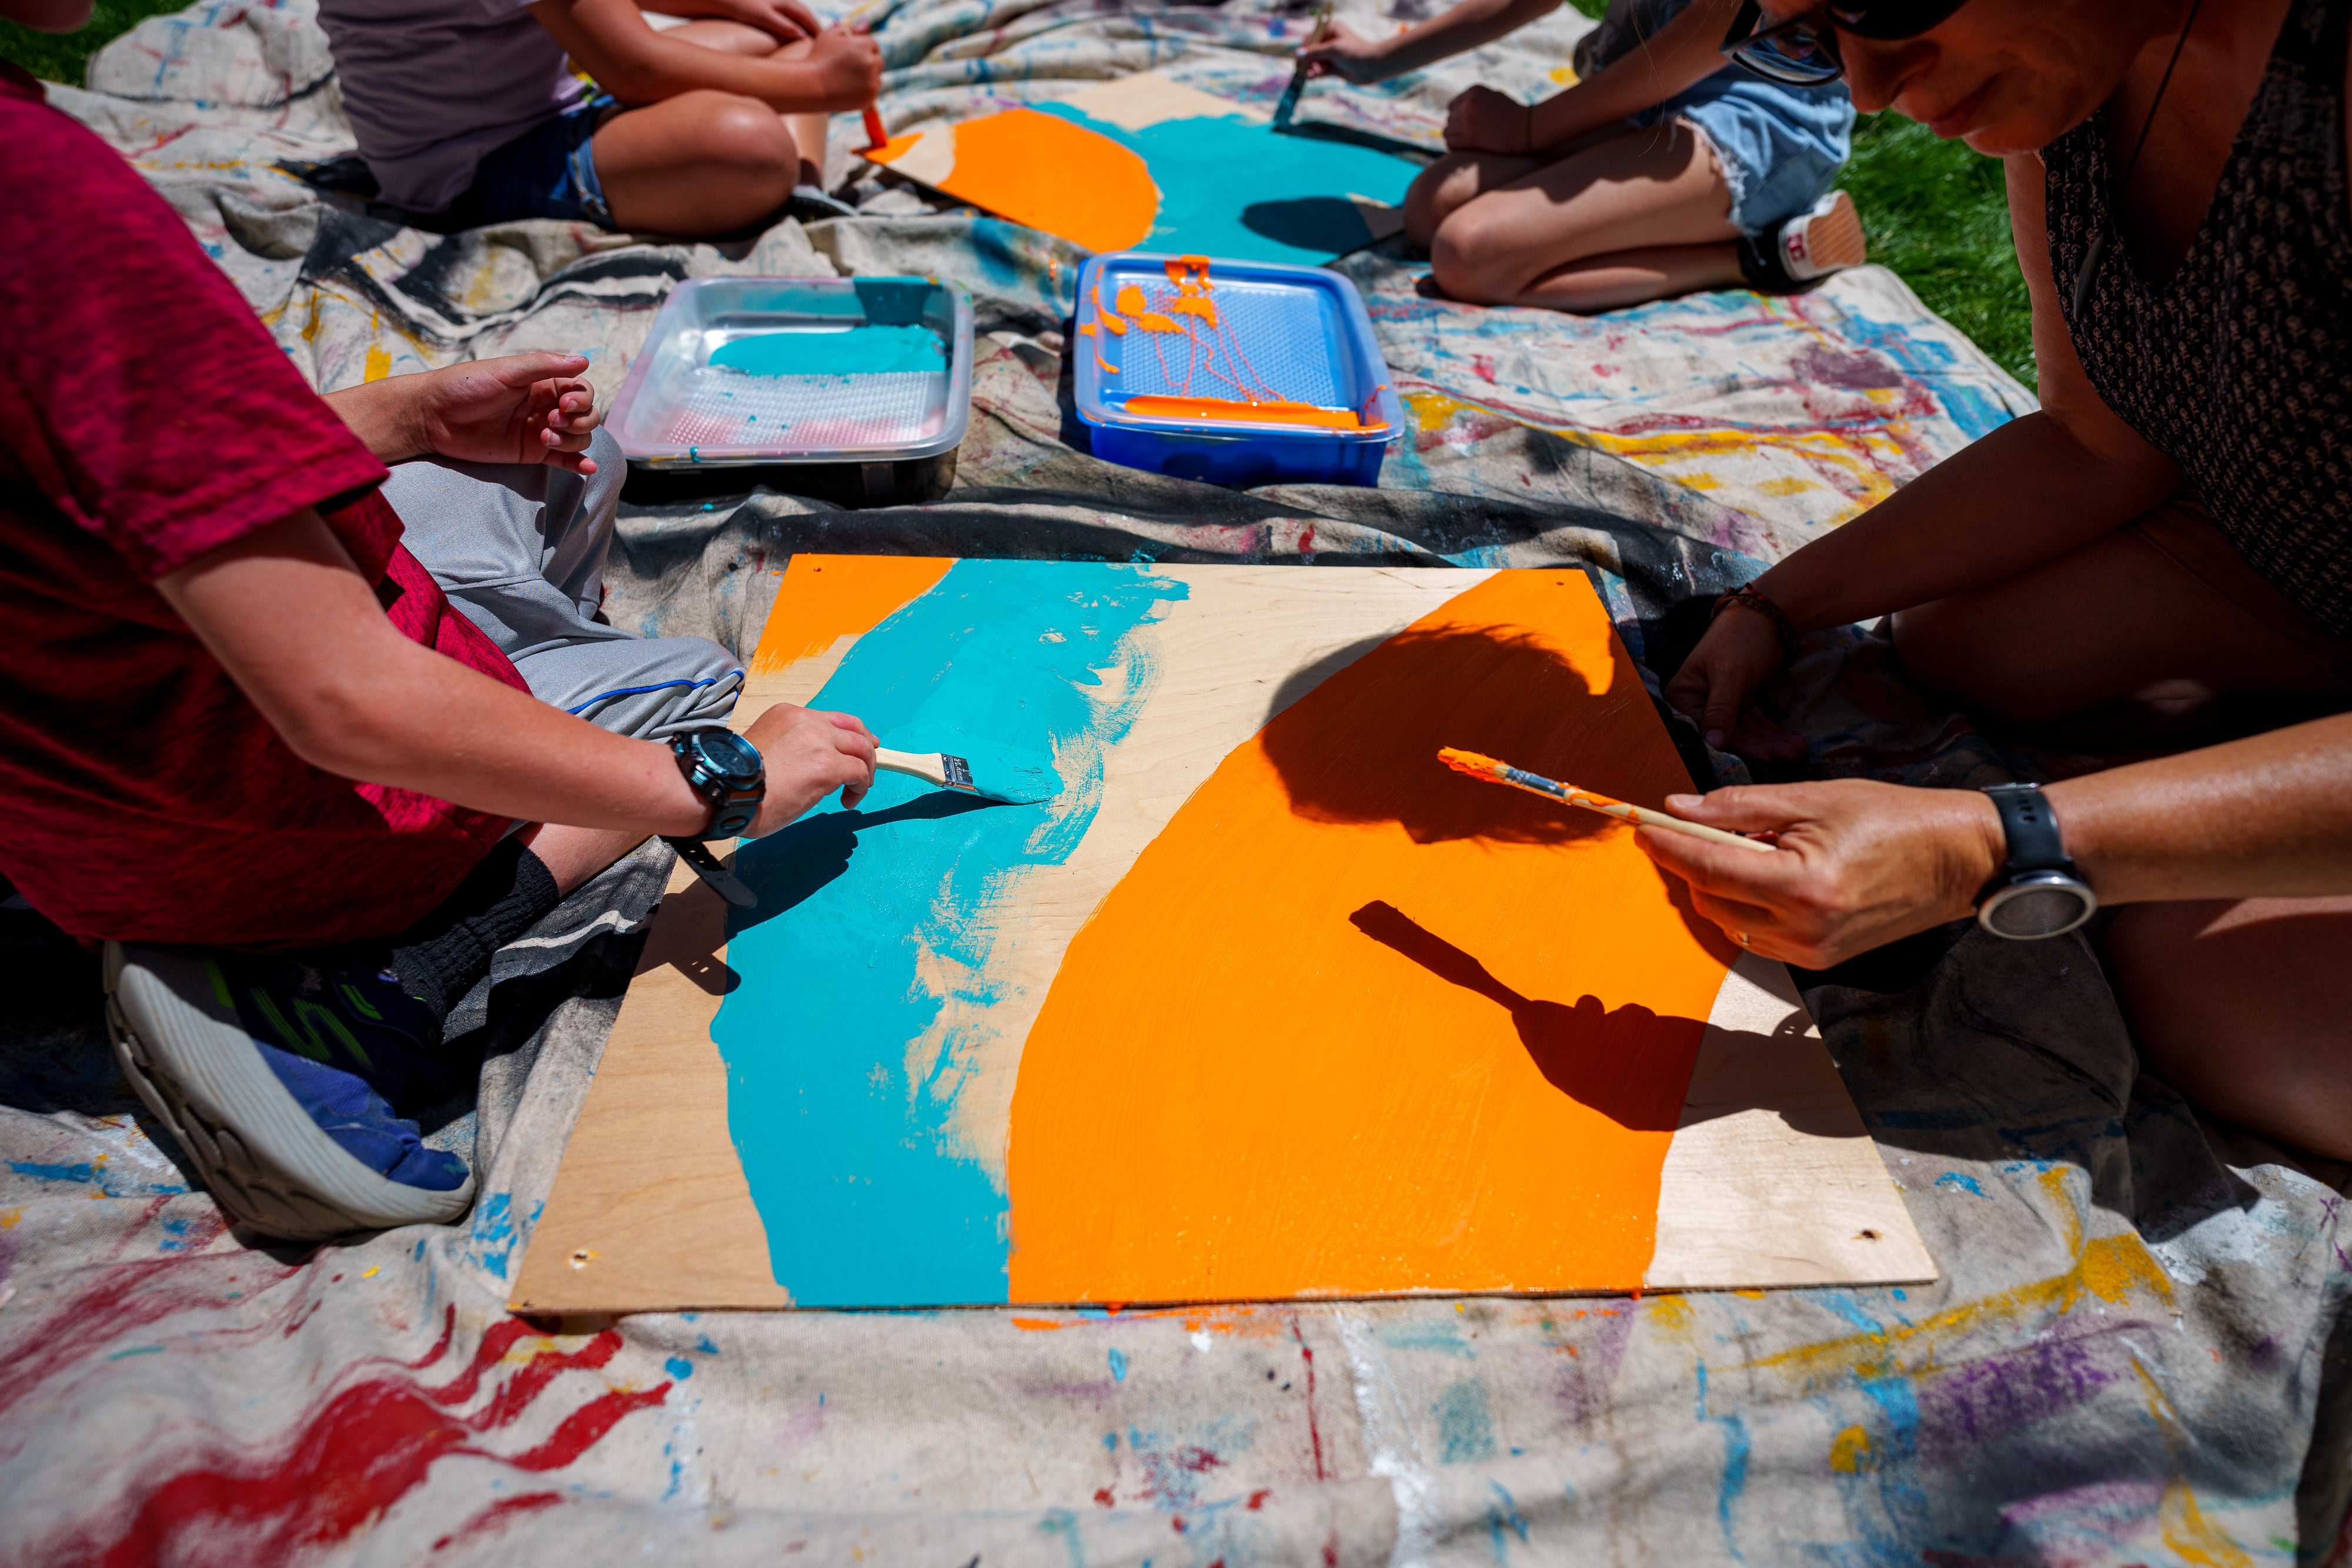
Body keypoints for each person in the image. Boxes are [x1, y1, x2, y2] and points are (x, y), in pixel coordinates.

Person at [1, 34, 877, 1241]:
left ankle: (544, 647)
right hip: (242, 813)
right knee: (698, 688)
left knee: (576, 469)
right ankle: (358, 990)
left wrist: (402, 415)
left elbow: (102, 472)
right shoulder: (45, 207)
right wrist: (719, 783)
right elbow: (347, 704)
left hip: (70, 741)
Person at [1645, 0, 2352, 1159]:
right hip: (2300, 570)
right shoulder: (2071, 83)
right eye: (1808, 36)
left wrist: (2005, 843)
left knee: (2222, 991)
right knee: (1962, 643)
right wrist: (1772, 603)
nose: (1868, 88)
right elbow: (2094, 443)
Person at [1301, 0, 1868, 311]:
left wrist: (1526, 130)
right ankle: (1687, 226)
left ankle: (1760, 257)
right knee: (1432, 204)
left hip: (1758, 128)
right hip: (1652, 103)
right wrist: (1378, 59)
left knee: (1469, 255)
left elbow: (1701, 44)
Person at [313, 0, 884, 235]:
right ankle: (788, 188)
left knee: (775, 33)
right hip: (470, 175)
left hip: (521, 120)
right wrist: (822, 85)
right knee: (750, 141)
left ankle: (788, 190)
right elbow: (635, 69)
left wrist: (728, 3)